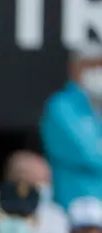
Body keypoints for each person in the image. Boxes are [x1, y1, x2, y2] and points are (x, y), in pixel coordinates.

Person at [41, 45, 102, 210]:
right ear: (75, 68)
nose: (98, 70)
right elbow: (86, 153)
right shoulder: (61, 106)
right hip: (74, 206)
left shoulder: (97, 105)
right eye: (93, 65)